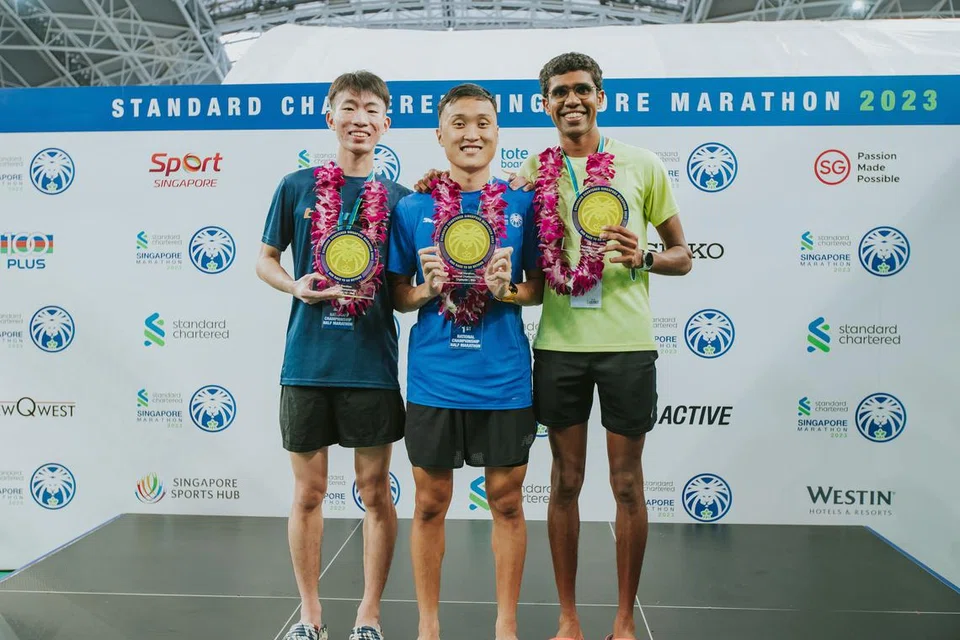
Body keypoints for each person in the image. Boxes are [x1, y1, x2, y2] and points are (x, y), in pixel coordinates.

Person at [512, 52, 694, 640]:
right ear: (545, 104)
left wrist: (644, 256)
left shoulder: (642, 164)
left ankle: (623, 620)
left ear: (600, 97)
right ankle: (567, 618)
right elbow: (485, 215)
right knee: (565, 481)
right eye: (559, 92)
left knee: (626, 484)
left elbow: (683, 256)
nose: (572, 100)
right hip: (559, 345)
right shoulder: (533, 171)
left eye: (582, 89)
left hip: (626, 346)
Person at [256, 70, 411, 640]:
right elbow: (265, 259)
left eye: (371, 110)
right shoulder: (296, 186)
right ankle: (310, 615)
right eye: (349, 107)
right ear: (330, 116)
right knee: (308, 493)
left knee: (375, 493)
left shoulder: (401, 200)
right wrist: (294, 286)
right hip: (307, 364)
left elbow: (403, 289)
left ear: (386, 123)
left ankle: (368, 615)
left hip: (371, 365)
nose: (360, 119)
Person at [386, 83, 544, 640]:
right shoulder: (413, 206)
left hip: (503, 378)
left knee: (507, 502)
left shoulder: (523, 203)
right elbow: (397, 295)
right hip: (435, 379)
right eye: (459, 122)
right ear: (440, 134)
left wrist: (507, 291)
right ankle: (429, 627)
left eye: (482, 122)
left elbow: (539, 288)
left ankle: (506, 627)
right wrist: (426, 291)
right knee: (430, 504)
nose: (471, 133)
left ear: (497, 133)